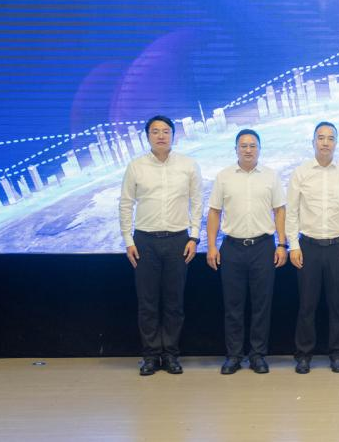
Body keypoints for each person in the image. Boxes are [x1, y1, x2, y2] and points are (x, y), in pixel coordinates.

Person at [118, 115, 203, 376]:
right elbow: (125, 204)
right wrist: (128, 240)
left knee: (174, 303)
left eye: (166, 131)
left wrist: (194, 237)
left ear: (173, 135)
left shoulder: (188, 165)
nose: (161, 136)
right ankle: (151, 356)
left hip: (178, 240)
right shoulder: (136, 166)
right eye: (155, 131)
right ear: (148, 136)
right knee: (148, 303)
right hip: (145, 241)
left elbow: (197, 202)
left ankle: (171, 355)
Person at [206, 129, 287, 375]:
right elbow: (214, 212)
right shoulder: (224, 177)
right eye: (244, 146)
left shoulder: (271, 177)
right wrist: (211, 246)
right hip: (232, 248)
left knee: (262, 305)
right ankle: (234, 356)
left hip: (263, 247)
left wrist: (282, 244)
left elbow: (280, 211)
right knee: (233, 305)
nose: (248, 150)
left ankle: (258, 355)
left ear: (259, 149)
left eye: (253, 145)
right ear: (236, 149)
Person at [285, 121, 339, 374]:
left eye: (330, 138)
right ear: (313, 142)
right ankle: (303, 355)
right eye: (321, 137)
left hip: (338, 246)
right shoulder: (301, 172)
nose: (325, 142)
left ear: (336, 143)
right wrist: (293, 245)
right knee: (307, 305)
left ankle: (337, 354)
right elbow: (292, 212)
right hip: (308, 247)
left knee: (337, 304)